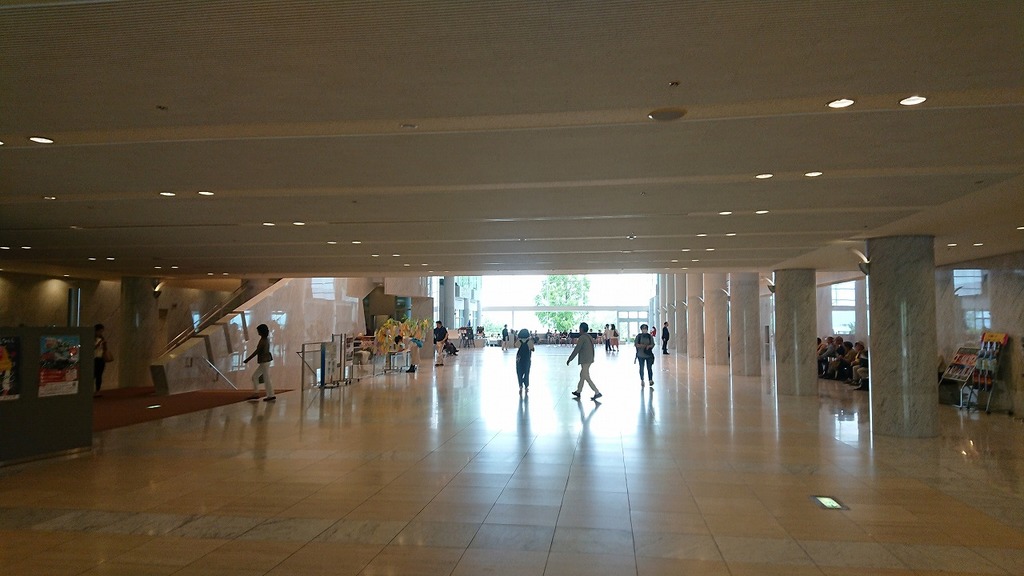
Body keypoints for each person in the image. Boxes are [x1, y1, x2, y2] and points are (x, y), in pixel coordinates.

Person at [567, 322, 601, 401]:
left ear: (582, 329)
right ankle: (578, 391)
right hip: (589, 358)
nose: (579, 330)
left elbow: (577, 349)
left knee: (586, 376)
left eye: (579, 328)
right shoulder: (589, 336)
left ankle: (597, 392)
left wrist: (570, 359)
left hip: (585, 359)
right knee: (582, 375)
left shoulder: (582, 337)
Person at [244, 323, 275, 401]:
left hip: (264, 361)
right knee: (256, 377)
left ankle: (270, 395)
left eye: (258, 331)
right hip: (266, 361)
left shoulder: (263, 341)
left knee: (266, 378)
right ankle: (257, 393)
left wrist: (248, 359)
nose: (258, 332)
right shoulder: (266, 339)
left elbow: (257, 351)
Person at [635, 323, 656, 387]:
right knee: (641, 367)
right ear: (641, 329)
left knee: (649, 368)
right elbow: (636, 344)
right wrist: (643, 346)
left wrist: (649, 346)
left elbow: (653, 344)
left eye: (645, 329)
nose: (644, 330)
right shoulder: (638, 336)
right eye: (643, 329)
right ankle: (642, 379)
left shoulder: (650, 336)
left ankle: (650, 380)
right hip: (640, 355)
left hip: (648, 355)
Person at [514, 328, 534, 394]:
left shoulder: (519, 341)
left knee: (519, 372)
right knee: (526, 372)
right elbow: (532, 348)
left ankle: (520, 386)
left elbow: (515, 346)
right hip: (527, 358)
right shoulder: (529, 341)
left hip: (519, 359)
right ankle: (526, 386)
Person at [94, 323, 111, 394]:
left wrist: (104, 344)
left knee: (99, 375)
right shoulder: (92, 338)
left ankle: (98, 390)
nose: (100, 333)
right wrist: (98, 344)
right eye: (99, 331)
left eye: (101, 331)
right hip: (94, 359)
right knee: (93, 374)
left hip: (101, 358)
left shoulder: (102, 338)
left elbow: (104, 349)